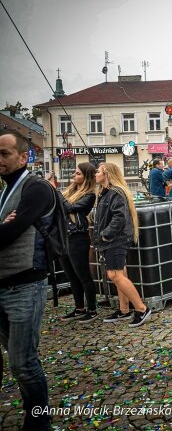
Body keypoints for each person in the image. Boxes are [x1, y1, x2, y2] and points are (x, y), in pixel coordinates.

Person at [0, 129, 54, 430]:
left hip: (24, 284)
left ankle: (38, 423)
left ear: (23, 157)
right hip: (2, 284)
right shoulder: (5, 191)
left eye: (5, 153)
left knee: (23, 362)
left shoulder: (35, 188)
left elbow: (10, 232)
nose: (0, 159)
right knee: (17, 361)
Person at [94, 163, 152, 327]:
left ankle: (141, 309)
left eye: (98, 171)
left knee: (115, 275)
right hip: (114, 239)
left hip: (116, 239)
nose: (95, 174)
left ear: (107, 174)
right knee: (119, 274)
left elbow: (119, 218)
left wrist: (106, 235)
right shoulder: (107, 192)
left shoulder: (115, 193)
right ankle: (124, 309)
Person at [59, 162, 98, 323]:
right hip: (64, 237)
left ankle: (92, 309)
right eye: (74, 173)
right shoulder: (70, 191)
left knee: (83, 275)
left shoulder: (90, 195)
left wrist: (57, 195)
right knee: (71, 276)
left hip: (78, 238)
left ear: (86, 177)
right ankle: (79, 308)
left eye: (78, 174)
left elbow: (70, 208)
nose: (74, 176)